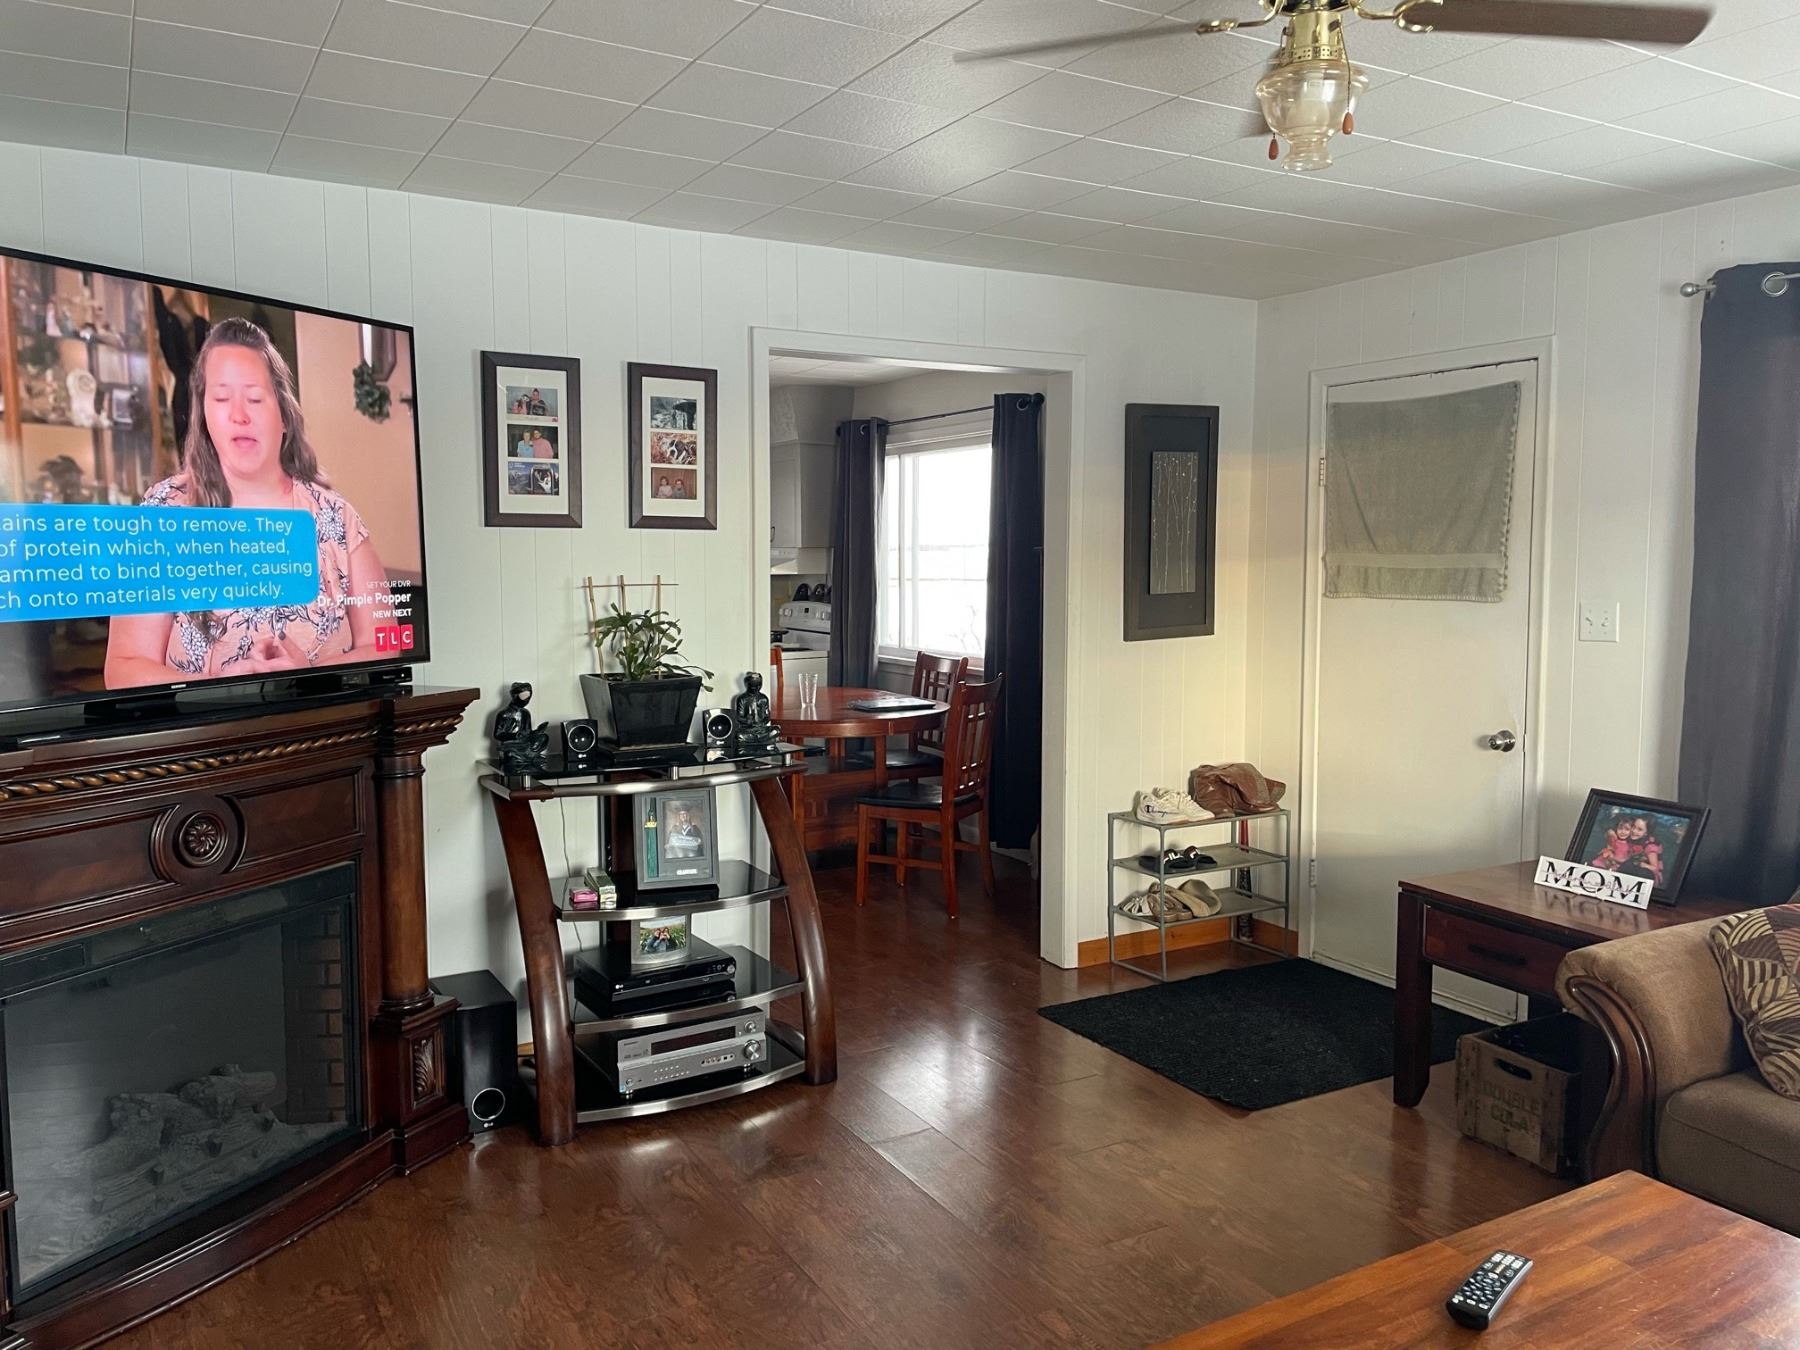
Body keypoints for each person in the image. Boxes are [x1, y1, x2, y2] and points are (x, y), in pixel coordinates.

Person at [104, 317, 390, 688]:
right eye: (222, 399)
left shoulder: (336, 517)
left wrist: (312, 676)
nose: (239, 415)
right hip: (203, 727)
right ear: (204, 416)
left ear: (284, 416)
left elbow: (386, 645)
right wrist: (214, 686)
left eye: (254, 398)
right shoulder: (163, 514)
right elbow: (124, 669)